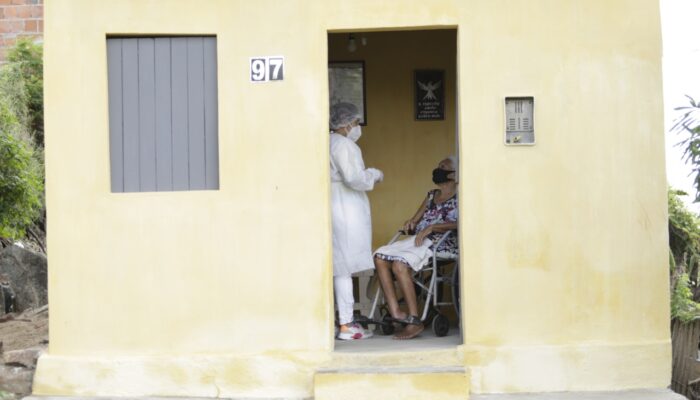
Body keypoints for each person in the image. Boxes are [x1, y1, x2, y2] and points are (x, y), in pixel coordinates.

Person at [373, 156, 458, 340]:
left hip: (441, 242)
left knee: (399, 265)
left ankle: (414, 320)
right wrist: (410, 224)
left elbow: (461, 222)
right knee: (379, 257)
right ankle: (396, 313)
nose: (438, 169)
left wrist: (433, 227)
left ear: (455, 174)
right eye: (438, 166)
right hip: (419, 240)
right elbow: (415, 220)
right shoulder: (431, 195)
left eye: (443, 167)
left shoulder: (462, 195)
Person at [329, 102, 383, 340]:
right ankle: (347, 324)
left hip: (336, 203)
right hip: (344, 207)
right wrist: (374, 174)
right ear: (347, 123)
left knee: (339, 265)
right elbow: (354, 178)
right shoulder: (344, 145)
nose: (358, 127)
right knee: (344, 267)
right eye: (356, 122)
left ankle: (343, 321)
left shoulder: (329, 142)